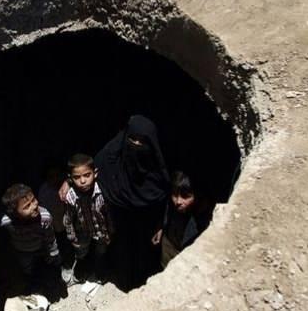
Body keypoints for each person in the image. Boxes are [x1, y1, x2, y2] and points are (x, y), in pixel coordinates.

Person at [94, 115, 171, 290]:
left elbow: (165, 199)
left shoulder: (158, 175)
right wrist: (68, 182)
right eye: (132, 139)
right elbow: (90, 173)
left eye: (142, 142)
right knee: (121, 255)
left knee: (144, 260)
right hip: (118, 225)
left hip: (145, 228)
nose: (136, 145)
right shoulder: (110, 158)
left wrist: (160, 225)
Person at [0, 183, 61, 293]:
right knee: (26, 267)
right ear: (14, 213)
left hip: (40, 247)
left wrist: (53, 251)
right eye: (26, 206)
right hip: (21, 250)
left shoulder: (44, 217)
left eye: (33, 200)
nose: (34, 206)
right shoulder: (6, 221)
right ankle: (31, 280)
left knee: (49, 263)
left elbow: (50, 236)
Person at [62, 153, 113, 282]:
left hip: (101, 231)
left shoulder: (102, 191)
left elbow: (108, 214)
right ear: (70, 178)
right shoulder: (71, 196)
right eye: (77, 177)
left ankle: (100, 271)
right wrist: (72, 236)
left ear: (95, 173)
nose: (83, 181)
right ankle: (81, 268)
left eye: (87, 175)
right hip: (82, 232)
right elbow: (68, 219)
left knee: (101, 252)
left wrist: (110, 231)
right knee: (81, 252)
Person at [151, 171, 209, 268]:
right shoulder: (171, 204)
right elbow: (166, 212)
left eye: (185, 196)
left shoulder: (203, 218)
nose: (178, 201)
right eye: (175, 195)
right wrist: (161, 227)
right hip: (168, 246)